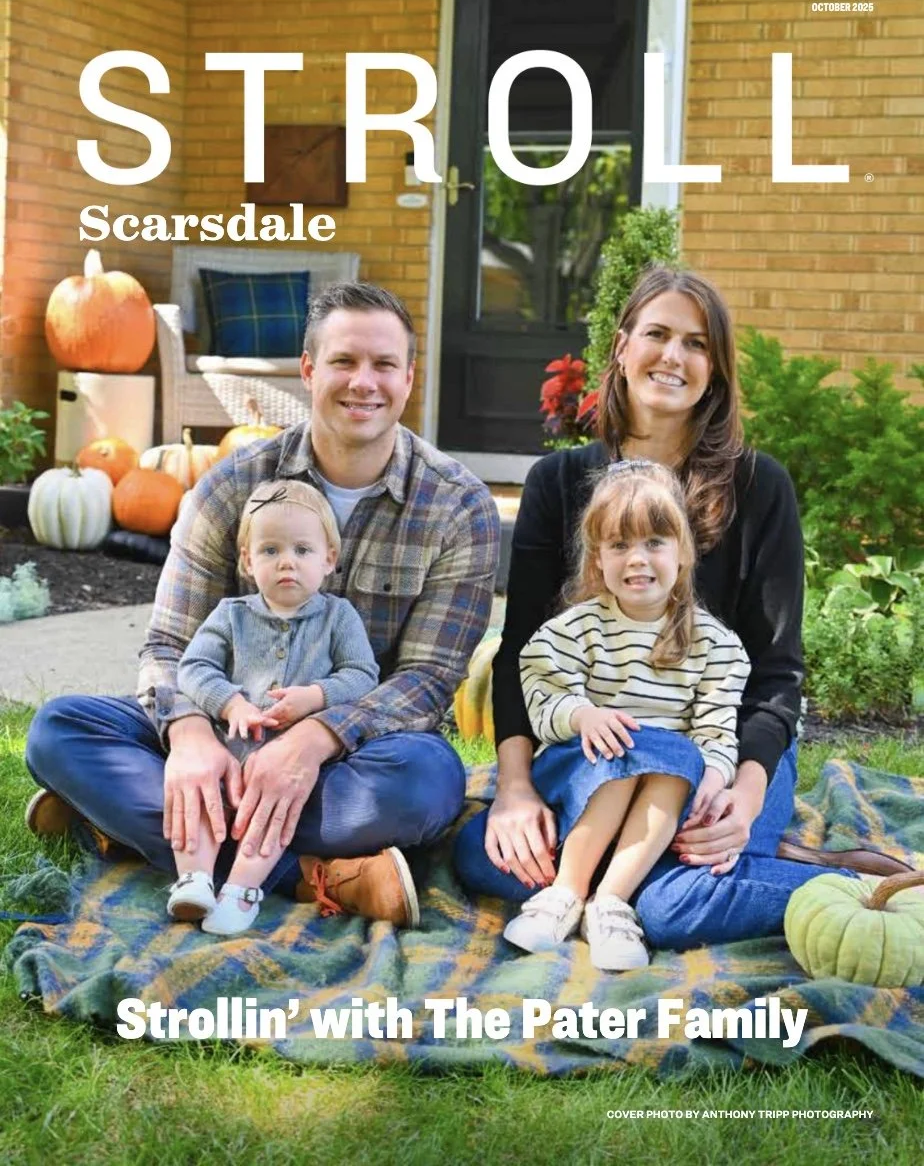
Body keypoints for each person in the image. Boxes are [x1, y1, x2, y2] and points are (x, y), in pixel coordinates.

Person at [454, 265, 904, 952]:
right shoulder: (557, 482)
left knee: (665, 907)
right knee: (485, 857)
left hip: (720, 748)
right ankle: (748, 871)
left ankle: (862, 892)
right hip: (598, 749)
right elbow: (521, 653)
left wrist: (746, 795)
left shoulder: (760, 487)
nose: (674, 356)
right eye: (658, 334)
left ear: (716, 370)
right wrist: (514, 790)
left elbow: (776, 677)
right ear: (622, 347)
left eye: (696, 344)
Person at [26, 282, 500, 929]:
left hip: (359, 754)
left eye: (384, 364)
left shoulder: (458, 505)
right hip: (224, 727)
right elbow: (170, 646)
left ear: (409, 377)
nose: (364, 382)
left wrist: (311, 740)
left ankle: (133, 829)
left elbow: (428, 680)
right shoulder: (231, 486)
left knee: (427, 786)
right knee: (62, 730)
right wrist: (191, 739)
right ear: (308, 370)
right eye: (343, 361)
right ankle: (315, 875)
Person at [502, 460, 750, 969]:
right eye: (619, 545)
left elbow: (717, 732)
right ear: (597, 560)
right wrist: (582, 715)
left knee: (673, 755)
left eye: (654, 543)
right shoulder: (569, 633)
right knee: (625, 744)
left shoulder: (717, 647)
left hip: (663, 798)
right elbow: (543, 705)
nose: (637, 559)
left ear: (682, 553)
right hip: (582, 778)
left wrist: (718, 774)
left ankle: (609, 902)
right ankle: (565, 893)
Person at [168, 479, 379, 935]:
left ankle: (241, 892)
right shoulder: (231, 614)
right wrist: (230, 705)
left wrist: (315, 696)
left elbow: (363, 674)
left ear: (329, 560)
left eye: (303, 550)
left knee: (271, 819)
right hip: (230, 751)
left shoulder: (338, 617)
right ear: (247, 561)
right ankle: (195, 880)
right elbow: (193, 667)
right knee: (202, 806)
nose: (287, 561)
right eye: (270, 550)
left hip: (294, 766)